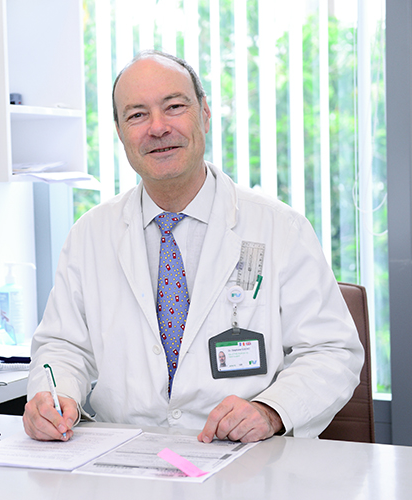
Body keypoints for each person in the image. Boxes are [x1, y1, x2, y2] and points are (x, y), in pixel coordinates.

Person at [23, 50, 363, 444]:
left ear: (204, 113)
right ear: (119, 132)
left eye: (174, 107)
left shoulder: (279, 228)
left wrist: (271, 411)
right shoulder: (90, 234)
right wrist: (54, 396)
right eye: (137, 115)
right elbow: (63, 345)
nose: (158, 128)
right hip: (124, 456)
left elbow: (331, 350)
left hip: (245, 460)